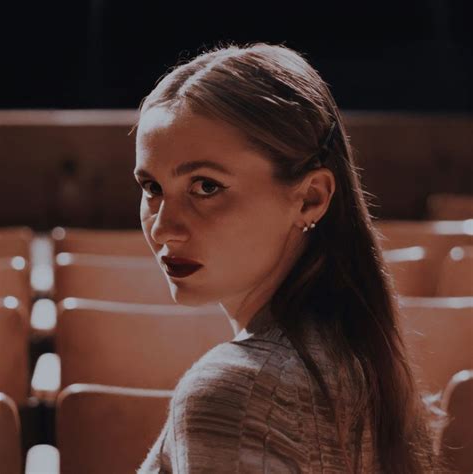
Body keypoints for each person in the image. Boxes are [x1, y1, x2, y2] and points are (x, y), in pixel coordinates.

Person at [133, 41, 448, 473]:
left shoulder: (236, 389)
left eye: (206, 187)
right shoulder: (366, 362)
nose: (164, 226)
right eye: (152, 189)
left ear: (310, 198)